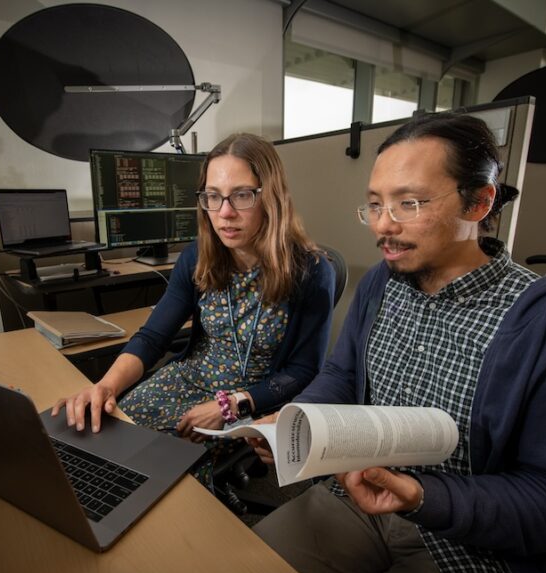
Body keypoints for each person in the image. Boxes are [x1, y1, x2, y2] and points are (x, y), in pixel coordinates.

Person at [247, 112, 546, 573]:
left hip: (478, 545)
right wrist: (294, 423)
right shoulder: (385, 282)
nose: (384, 225)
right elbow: (342, 375)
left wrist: (422, 496)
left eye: (410, 203)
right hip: (360, 497)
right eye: (376, 205)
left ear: (479, 202)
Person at [53, 133, 336, 488]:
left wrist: (233, 404)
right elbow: (154, 337)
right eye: (213, 197)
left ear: (272, 196)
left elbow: (303, 370)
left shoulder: (310, 271)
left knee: (164, 471)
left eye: (242, 195)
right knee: (110, 435)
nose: (225, 213)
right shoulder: (197, 257)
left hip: (253, 397)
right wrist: (106, 386)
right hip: (186, 379)